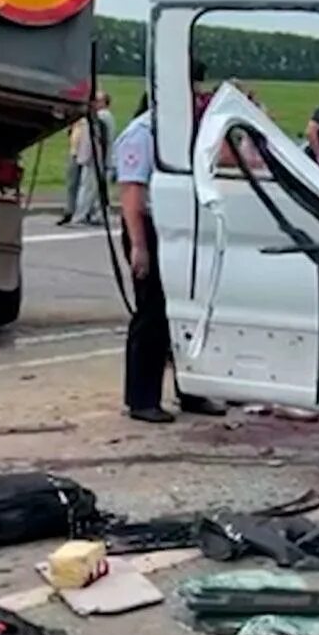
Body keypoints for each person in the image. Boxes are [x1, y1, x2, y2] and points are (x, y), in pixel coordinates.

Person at [114, 102, 225, 424]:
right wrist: (139, 246)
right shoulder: (142, 134)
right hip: (148, 227)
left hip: (179, 226)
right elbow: (132, 194)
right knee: (152, 314)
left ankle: (190, 388)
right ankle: (142, 398)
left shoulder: (182, 132)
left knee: (185, 312)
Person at [74, 91, 115, 226]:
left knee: (87, 188)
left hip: (95, 160)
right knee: (100, 190)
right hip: (103, 160)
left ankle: (80, 216)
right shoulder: (108, 117)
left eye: (97, 100)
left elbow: (95, 141)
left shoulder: (100, 118)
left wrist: (84, 157)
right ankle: (98, 215)